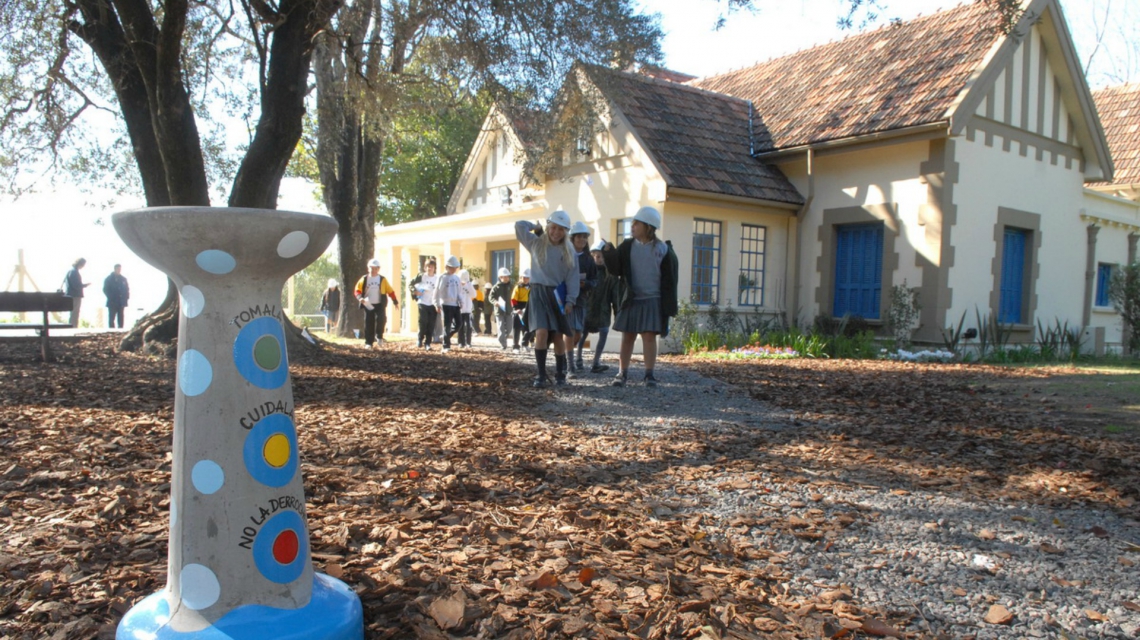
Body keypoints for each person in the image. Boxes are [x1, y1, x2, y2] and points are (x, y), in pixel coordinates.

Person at [601, 206, 679, 388]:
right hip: (631, 299)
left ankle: (649, 375)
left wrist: (668, 306)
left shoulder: (662, 249)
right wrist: (608, 253)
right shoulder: (627, 246)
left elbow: (670, 279)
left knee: (649, 337)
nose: (632, 226)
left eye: (636, 223)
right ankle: (622, 373)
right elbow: (616, 269)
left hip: (653, 300)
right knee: (627, 337)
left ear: (648, 227)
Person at [516, 211, 580, 388]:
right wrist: (535, 227)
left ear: (565, 231)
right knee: (541, 332)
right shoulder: (536, 243)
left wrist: (570, 300)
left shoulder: (569, 251)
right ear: (548, 227)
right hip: (538, 293)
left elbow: (572, 278)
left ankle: (560, 373)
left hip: (557, 295)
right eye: (553, 227)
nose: (556, 232)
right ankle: (541, 374)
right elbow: (519, 226)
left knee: (558, 335)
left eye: (561, 229)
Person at [564, 221, 597, 377]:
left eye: (585, 237)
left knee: (578, 334)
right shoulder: (565, 255)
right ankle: (570, 367)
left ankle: (565, 357)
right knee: (569, 332)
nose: (582, 240)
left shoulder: (589, 259)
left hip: (582, 299)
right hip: (567, 299)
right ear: (572, 238)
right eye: (579, 237)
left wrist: (586, 284)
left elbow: (594, 280)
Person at [583, 240, 620, 373]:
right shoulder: (588, 272)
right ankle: (577, 360)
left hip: (603, 311)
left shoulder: (611, 275)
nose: (598, 259)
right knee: (582, 334)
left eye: (601, 256)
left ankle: (596, 362)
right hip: (587, 309)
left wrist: (617, 313)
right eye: (596, 256)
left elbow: (615, 296)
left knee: (603, 334)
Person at [354, 259, 399, 349]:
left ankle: (379, 336)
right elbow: (357, 290)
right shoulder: (364, 279)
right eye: (371, 268)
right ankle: (369, 343)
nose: (373, 270)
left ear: (378, 269)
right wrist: (360, 298)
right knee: (369, 323)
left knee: (381, 320)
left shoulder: (382, 279)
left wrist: (395, 301)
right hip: (368, 304)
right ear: (368, 268)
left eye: (375, 268)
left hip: (380, 304)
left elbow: (390, 291)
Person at [433, 255, 463, 353]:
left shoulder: (457, 278)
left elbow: (459, 291)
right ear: (447, 267)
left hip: (455, 304)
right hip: (446, 304)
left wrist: (461, 301)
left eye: (455, 268)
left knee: (459, 324)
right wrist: (436, 304)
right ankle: (446, 345)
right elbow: (437, 291)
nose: (454, 269)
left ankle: (446, 336)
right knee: (447, 325)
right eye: (452, 267)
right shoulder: (442, 277)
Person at [409, 259, 439, 350]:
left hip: (433, 303)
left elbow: (441, 291)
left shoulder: (437, 278)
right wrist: (415, 291)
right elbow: (410, 284)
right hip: (422, 302)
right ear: (425, 267)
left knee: (431, 324)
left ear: (434, 268)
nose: (430, 268)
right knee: (423, 321)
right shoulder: (421, 276)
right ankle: (420, 339)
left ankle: (428, 343)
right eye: (428, 266)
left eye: (432, 267)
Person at [490, 268, 514, 349]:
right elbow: (491, 297)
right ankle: (503, 344)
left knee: (509, 327)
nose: (506, 278)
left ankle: (504, 338)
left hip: (509, 310)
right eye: (504, 277)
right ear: (500, 277)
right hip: (499, 311)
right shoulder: (496, 287)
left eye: (507, 277)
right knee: (500, 328)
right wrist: (495, 302)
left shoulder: (511, 286)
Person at [510, 269, 532, 354]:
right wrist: (516, 309)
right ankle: (515, 346)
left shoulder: (532, 287)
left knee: (529, 328)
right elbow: (513, 299)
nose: (525, 279)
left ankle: (525, 343)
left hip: (528, 308)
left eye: (527, 278)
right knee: (517, 328)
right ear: (521, 277)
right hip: (518, 308)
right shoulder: (518, 287)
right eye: (524, 277)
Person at [62, 257, 89, 327]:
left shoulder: (70, 271)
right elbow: (76, 285)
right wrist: (84, 285)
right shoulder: (74, 272)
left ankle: (72, 326)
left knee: (73, 313)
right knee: (75, 313)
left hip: (71, 294)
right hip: (75, 295)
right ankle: (73, 326)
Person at [102, 263, 130, 329]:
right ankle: (111, 329)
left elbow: (127, 289)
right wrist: (110, 297)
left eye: (120, 269)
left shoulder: (123, 279)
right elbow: (105, 289)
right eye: (118, 269)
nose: (119, 270)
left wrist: (126, 297)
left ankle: (121, 329)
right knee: (111, 317)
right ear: (115, 269)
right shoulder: (108, 279)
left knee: (121, 317)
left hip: (121, 301)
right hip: (112, 301)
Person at [456, 269, 477, 348]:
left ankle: (468, 342)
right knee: (460, 326)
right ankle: (460, 342)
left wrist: (468, 284)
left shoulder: (469, 285)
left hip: (468, 309)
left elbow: (474, 295)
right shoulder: (457, 285)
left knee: (469, 326)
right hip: (459, 309)